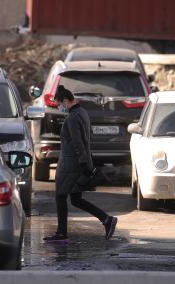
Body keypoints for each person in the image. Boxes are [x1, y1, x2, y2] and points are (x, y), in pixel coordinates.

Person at [43, 85, 118, 243]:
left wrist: (84, 164)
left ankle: (61, 234)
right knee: (75, 198)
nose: (60, 108)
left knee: (60, 196)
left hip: (70, 166)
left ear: (65, 101)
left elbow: (78, 143)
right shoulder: (82, 112)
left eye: (60, 105)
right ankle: (107, 220)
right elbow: (86, 139)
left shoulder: (72, 118)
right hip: (77, 163)